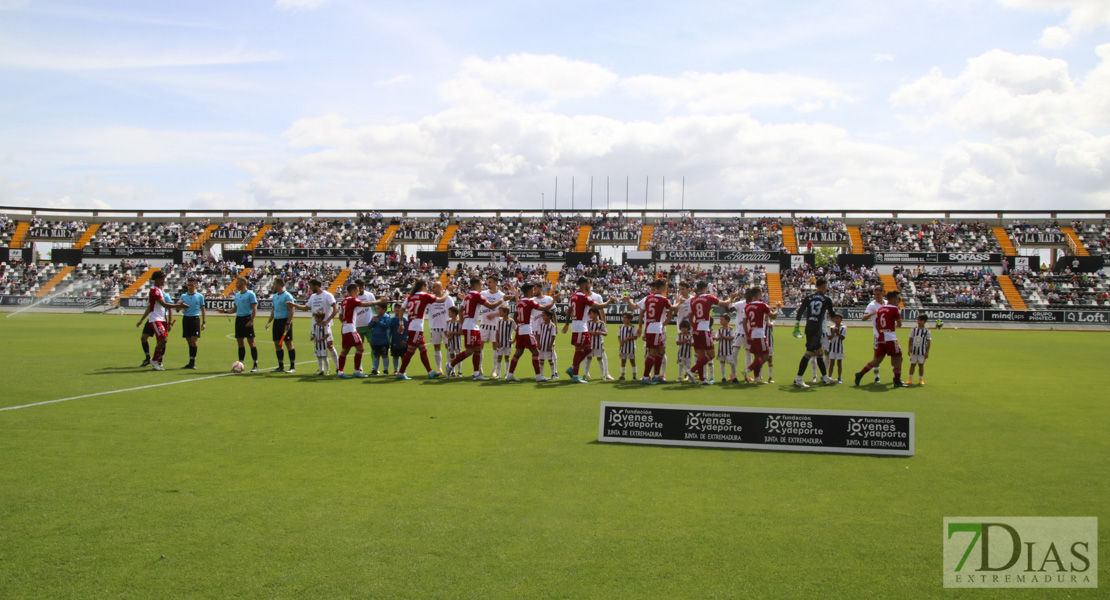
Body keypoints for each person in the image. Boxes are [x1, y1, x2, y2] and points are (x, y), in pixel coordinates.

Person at [393, 279, 453, 380]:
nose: (428, 288)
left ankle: (430, 372)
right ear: (423, 286)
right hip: (416, 326)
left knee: (423, 349)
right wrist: (448, 292)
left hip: (412, 325)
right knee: (410, 350)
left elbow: (402, 309)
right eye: (427, 286)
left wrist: (401, 324)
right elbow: (442, 300)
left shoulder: (410, 296)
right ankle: (401, 372)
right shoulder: (424, 296)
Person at [562, 276, 616, 384]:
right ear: (583, 284)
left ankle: (573, 368)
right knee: (580, 350)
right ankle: (575, 375)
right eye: (588, 283)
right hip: (581, 326)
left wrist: (567, 324)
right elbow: (599, 306)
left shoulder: (573, 295)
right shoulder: (583, 297)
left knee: (588, 348)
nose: (589, 285)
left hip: (577, 325)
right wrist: (610, 300)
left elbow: (570, 311)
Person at [447, 277, 503, 381]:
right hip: (470, 326)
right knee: (470, 351)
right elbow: (491, 306)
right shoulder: (476, 295)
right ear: (477, 285)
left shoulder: (468, 295)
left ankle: (477, 373)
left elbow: (461, 309)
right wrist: (503, 299)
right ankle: (450, 365)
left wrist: (461, 324)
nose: (482, 286)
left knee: (478, 349)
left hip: (473, 326)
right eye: (481, 284)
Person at [134, 270, 185, 371]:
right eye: (162, 279)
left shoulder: (159, 290)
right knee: (163, 339)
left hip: (161, 318)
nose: (164, 281)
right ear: (157, 279)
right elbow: (164, 304)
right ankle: (154, 360)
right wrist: (178, 305)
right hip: (155, 318)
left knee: (162, 340)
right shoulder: (155, 290)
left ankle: (157, 361)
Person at [854, 290, 906, 387]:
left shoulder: (881, 309)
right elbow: (899, 324)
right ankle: (897, 380)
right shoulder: (895, 309)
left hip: (881, 336)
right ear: (894, 299)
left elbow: (878, 324)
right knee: (898, 357)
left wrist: (881, 332)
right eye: (898, 298)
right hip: (890, 337)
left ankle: (860, 373)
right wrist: (891, 325)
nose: (898, 300)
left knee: (878, 359)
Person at [505, 283, 555, 382]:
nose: (533, 292)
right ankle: (538, 376)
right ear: (529, 291)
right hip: (526, 330)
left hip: (519, 329)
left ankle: (510, 374)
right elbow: (545, 308)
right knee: (535, 352)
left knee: (518, 353)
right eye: (532, 290)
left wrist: (515, 294)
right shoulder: (529, 302)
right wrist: (554, 300)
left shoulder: (519, 302)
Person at [627, 278, 673, 384]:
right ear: (662, 288)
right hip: (656, 328)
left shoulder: (648, 298)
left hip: (650, 328)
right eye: (666, 287)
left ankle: (656, 375)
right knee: (653, 353)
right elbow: (673, 309)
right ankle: (646, 377)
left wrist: (641, 328)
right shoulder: (663, 299)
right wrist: (679, 302)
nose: (666, 289)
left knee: (661, 351)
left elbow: (641, 312)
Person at [687, 281, 734, 385]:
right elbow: (725, 303)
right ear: (705, 289)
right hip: (704, 329)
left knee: (700, 355)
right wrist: (732, 298)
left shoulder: (692, 300)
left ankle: (702, 379)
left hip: (696, 329)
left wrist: (694, 327)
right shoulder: (708, 297)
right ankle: (691, 370)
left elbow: (690, 316)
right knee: (711, 354)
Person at [794, 277, 836, 387]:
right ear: (824, 286)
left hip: (809, 327)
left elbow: (800, 311)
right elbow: (832, 314)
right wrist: (838, 320)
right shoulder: (826, 299)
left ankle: (825, 377)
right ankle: (798, 378)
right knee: (809, 352)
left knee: (819, 352)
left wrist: (797, 324)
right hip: (817, 328)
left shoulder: (808, 298)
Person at [291, 278, 340, 372]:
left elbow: (336, 308)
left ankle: (338, 367)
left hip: (325, 326)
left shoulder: (327, 295)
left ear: (316, 286)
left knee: (330, 346)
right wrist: (293, 305)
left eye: (311, 286)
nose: (310, 288)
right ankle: (321, 369)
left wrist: (328, 320)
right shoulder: (313, 296)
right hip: (315, 326)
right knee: (318, 347)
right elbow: (306, 308)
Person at [335, 282, 381, 379]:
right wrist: (379, 301)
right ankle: (357, 370)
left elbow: (341, 315)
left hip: (344, 328)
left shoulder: (344, 300)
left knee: (345, 351)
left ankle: (340, 371)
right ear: (352, 291)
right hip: (351, 328)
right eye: (356, 290)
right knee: (361, 348)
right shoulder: (352, 300)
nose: (358, 292)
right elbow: (365, 304)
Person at [217, 277, 259, 372]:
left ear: (243, 283)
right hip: (239, 319)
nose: (236, 284)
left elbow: (254, 308)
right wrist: (225, 311)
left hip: (247, 318)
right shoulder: (237, 295)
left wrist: (251, 320)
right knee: (240, 343)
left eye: (237, 283)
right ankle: (241, 364)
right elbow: (234, 309)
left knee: (251, 342)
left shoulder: (250, 294)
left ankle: (255, 364)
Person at [744, 287, 779, 384]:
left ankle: (757, 378)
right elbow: (773, 316)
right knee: (766, 356)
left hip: (752, 333)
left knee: (757, 357)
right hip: (759, 333)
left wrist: (747, 335)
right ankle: (747, 370)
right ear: (759, 294)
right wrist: (778, 308)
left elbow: (744, 322)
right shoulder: (762, 305)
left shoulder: (747, 306)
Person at [263, 277, 297, 373]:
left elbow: (292, 310)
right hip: (277, 322)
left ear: (278, 284)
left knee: (288, 343)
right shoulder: (275, 296)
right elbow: (273, 310)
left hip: (284, 322)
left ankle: (292, 367)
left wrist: (288, 323)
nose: (273, 285)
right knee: (278, 344)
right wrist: (269, 322)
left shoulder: (287, 296)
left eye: (274, 283)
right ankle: (281, 366)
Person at [425, 281, 455, 375]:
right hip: (434, 326)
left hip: (446, 327)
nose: (432, 289)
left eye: (434, 287)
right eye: (432, 287)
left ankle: (451, 368)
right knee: (436, 348)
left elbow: (453, 312)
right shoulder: (430, 298)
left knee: (449, 348)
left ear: (440, 288)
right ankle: (439, 369)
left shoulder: (448, 299)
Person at [478, 276, 505, 376]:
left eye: (490, 282)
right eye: (487, 282)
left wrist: (494, 315)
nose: (488, 284)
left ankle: (494, 370)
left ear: (495, 283)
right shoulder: (483, 293)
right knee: (480, 346)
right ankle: (479, 368)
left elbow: (505, 312)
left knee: (495, 347)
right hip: (484, 324)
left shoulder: (502, 295)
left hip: (496, 325)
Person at [178, 277, 206, 370]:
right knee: (189, 341)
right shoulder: (183, 296)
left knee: (194, 342)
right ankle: (190, 361)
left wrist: (204, 322)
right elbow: (177, 310)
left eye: (192, 285)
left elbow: (203, 309)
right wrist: (180, 305)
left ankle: (192, 362)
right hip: (186, 319)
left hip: (195, 319)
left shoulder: (199, 296)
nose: (190, 287)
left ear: (195, 285)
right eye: (188, 285)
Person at [862, 287, 885, 384]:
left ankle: (895, 377)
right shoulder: (872, 305)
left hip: (889, 333)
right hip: (877, 335)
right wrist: (873, 313)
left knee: (895, 355)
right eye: (875, 294)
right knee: (877, 356)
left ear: (882, 294)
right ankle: (876, 377)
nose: (876, 296)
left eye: (878, 294)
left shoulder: (887, 303)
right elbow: (864, 318)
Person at [583, 307, 613, 381]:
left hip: (598, 343)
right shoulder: (589, 323)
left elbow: (605, 333)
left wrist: (598, 332)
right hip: (590, 344)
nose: (589, 315)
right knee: (588, 358)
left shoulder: (601, 323)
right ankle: (586, 374)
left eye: (591, 313)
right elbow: (586, 331)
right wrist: (590, 332)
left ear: (596, 314)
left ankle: (603, 375)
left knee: (599, 358)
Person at [907, 314, 932, 385]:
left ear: (924, 321)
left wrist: (927, 352)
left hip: (922, 351)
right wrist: (909, 349)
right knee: (912, 364)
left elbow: (928, 342)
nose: (918, 321)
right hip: (914, 351)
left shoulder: (927, 331)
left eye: (920, 320)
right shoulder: (914, 330)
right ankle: (910, 378)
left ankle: (921, 379)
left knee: (921, 365)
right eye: (918, 320)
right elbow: (910, 339)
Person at [368, 304, 393, 375]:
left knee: (384, 354)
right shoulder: (375, 317)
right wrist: (373, 321)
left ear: (384, 309)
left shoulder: (387, 317)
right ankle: (375, 369)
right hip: (375, 340)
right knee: (376, 355)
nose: (377, 310)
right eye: (377, 308)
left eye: (379, 308)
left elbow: (385, 326)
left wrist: (378, 321)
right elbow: (369, 326)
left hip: (384, 340)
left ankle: (385, 369)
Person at [492, 305, 515, 378]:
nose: (500, 313)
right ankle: (498, 374)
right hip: (500, 343)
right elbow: (497, 332)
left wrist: (514, 340)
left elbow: (517, 330)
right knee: (499, 357)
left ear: (506, 312)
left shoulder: (511, 321)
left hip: (508, 343)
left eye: (501, 312)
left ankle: (506, 373)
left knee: (507, 357)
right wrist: (496, 342)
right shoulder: (499, 321)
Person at [310, 309, 335, 375]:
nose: (314, 319)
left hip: (323, 344)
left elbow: (327, 335)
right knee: (319, 357)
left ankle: (328, 370)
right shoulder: (315, 326)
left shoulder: (325, 325)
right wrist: (312, 337)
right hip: (317, 344)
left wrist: (320, 339)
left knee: (324, 357)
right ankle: (321, 370)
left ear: (320, 318)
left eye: (316, 317)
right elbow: (314, 334)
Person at [617, 311, 638, 381]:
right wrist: (620, 342)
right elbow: (619, 336)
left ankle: (634, 376)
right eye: (623, 317)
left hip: (630, 347)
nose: (624, 319)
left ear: (630, 319)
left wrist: (628, 338)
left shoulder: (632, 327)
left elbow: (635, 337)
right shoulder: (620, 327)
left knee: (632, 361)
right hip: (623, 347)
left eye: (625, 318)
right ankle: (622, 375)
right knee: (623, 361)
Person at [537, 310, 558, 379]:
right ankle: (541, 374)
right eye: (542, 315)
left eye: (544, 315)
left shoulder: (552, 326)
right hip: (542, 345)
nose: (543, 317)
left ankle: (553, 374)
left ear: (549, 317)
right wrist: (538, 344)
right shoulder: (542, 325)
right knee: (541, 360)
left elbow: (553, 336)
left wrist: (550, 346)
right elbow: (539, 335)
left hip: (548, 345)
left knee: (550, 360)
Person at [715, 313, 737, 383]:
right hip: (721, 349)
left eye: (722, 320)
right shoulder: (719, 329)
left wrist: (724, 337)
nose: (720, 321)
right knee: (722, 362)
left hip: (728, 349)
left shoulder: (730, 329)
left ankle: (734, 377)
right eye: (720, 320)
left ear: (727, 320)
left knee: (731, 363)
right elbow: (717, 338)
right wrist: (718, 337)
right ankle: (723, 377)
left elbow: (732, 337)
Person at [827, 314, 847, 383]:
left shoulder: (843, 328)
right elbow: (829, 337)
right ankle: (829, 377)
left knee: (839, 363)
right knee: (831, 363)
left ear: (841, 320)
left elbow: (843, 337)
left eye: (838, 318)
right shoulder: (831, 327)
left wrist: (837, 332)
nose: (836, 320)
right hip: (832, 347)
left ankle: (839, 378)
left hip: (839, 348)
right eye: (835, 318)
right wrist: (833, 333)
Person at [444, 306, 462, 377]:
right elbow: (445, 331)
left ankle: (459, 372)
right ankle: (453, 371)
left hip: (457, 341)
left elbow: (461, 332)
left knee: (458, 356)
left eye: (450, 312)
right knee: (451, 355)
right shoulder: (448, 322)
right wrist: (448, 336)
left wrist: (453, 333)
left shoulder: (459, 322)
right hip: (450, 341)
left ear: (454, 313)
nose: (448, 314)